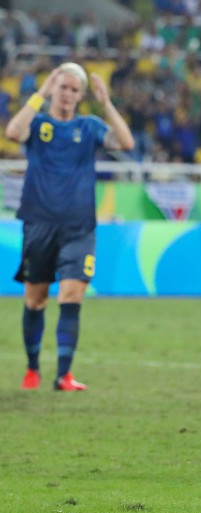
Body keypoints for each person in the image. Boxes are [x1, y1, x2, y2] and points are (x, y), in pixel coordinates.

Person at [4, 63, 134, 391]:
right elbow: (12, 133)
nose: (68, 95)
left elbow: (126, 142)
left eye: (75, 90)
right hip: (39, 224)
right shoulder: (38, 123)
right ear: (53, 89)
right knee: (35, 300)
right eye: (63, 88)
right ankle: (32, 368)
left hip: (79, 228)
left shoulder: (89, 127)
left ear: (81, 96)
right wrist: (41, 91)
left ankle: (63, 375)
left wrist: (106, 103)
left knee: (72, 294)